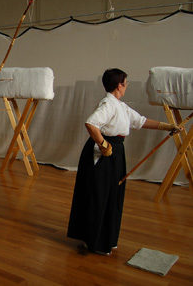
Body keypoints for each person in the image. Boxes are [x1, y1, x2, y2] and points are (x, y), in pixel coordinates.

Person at [67, 68, 182, 255]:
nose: (126, 86)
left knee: (113, 194)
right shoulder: (108, 104)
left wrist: (167, 126)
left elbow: (141, 121)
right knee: (100, 195)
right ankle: (95, 241)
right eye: (125, 83)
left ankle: (105, 239)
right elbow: (91, 123)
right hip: (103, 154)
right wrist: (104, 145)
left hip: (116, 151)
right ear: (119, 85)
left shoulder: (120, 106)